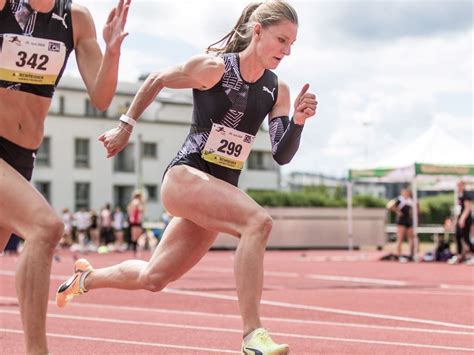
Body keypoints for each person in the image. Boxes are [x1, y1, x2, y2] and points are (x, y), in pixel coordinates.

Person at [56, 1, 316, 353]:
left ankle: (85, 278)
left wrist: (297, 122)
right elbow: (158, 78)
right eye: (281, 40)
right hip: (185, 176)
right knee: (258, 222)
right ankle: (253, 335)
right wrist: (125, 127)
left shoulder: (276, 90)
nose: (286, 51)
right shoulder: (213, 69)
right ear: (257, 32)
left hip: (217, 189)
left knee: (154, 277)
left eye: (292, 45)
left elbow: (281, 154)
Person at [0, 0, 130, 353]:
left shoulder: (75, 18)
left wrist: (112, 50)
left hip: (21, 156)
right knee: (46, 227)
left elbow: (101, 97)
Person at [448, 181, 473, 264]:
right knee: (458, 236)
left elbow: (468, 208)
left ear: (463, 185)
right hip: (460, 219)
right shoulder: (460, 195)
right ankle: (459, 255)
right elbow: (458, 209)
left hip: (465, 220)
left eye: (459, 185)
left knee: (466, 238)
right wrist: (455, 221)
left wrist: (462, 219)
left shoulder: (467, 194)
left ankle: (472, 254)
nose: (458, 187)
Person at [387, 188, 414, 262]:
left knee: (411, 238)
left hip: (409, 221)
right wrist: (397, 212)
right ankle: (399, 255)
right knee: (400, 238)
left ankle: (411, 254)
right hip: (401, 221)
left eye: (407, 192)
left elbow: (413, 210)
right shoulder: (399, 199)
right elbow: (389, 206)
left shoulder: (410, 200)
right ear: (402, 192)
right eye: (405, 192)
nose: (406, 193)